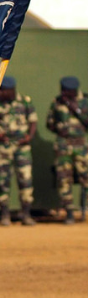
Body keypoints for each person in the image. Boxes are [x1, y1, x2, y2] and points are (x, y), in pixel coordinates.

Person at [0, 76, 36, 226]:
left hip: (22, 147)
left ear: (11, 90)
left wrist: (29, 137)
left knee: (25, 180)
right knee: (3, 180)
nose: (0, 93)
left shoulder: (25, 101)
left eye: (3, 90)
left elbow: (33, 121)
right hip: (4, 147)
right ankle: (4, 214)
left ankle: (26, 214)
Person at [46, 76, 88, 224]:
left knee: (86, 178)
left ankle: (85, 210)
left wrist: (73, 108)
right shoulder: (56, 102)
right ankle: (69, 212)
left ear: (73, 91)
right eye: (62, 90)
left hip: (81, 146)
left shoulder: (85, 101)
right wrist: (58, 129)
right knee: (64, 179)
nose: (62, 93)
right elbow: (49, 123)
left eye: (66, 91)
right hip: (63, 146)